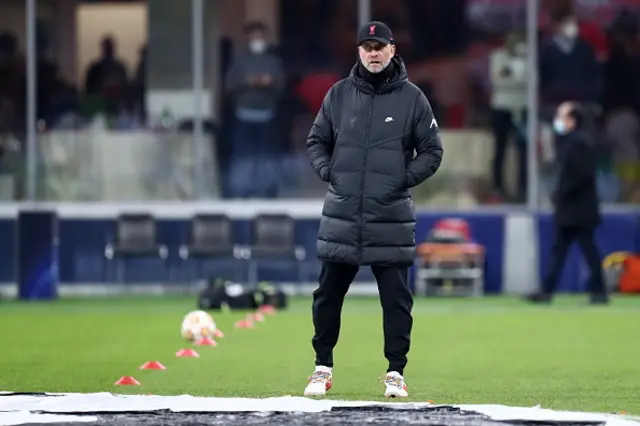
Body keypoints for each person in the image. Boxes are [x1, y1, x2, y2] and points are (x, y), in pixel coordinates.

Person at [304, 21, 443, 398]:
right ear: (359, 52)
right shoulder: (338, 95)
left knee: (397, 300)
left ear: (392, 51)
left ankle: (395, 373)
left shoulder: (413, 98)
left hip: (390, 216)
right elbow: (316, 140)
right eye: (367, 46)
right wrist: (329, 172)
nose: (373, 52)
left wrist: (400, 179)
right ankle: (322, 368)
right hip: (343, 215)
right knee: (327, 295)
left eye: (380, 46)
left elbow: (432, 151)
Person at [527, 102, 609, 305]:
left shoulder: (578, 143)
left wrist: (561, 193)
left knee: (582, 251)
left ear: (573, 120)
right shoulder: (576, 141)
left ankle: (596, 292)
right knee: (567, 251)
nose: (558, 121)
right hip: (574, 210)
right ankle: (549, 291)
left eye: (562, 116)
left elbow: (580, 175)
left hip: (576, 210)